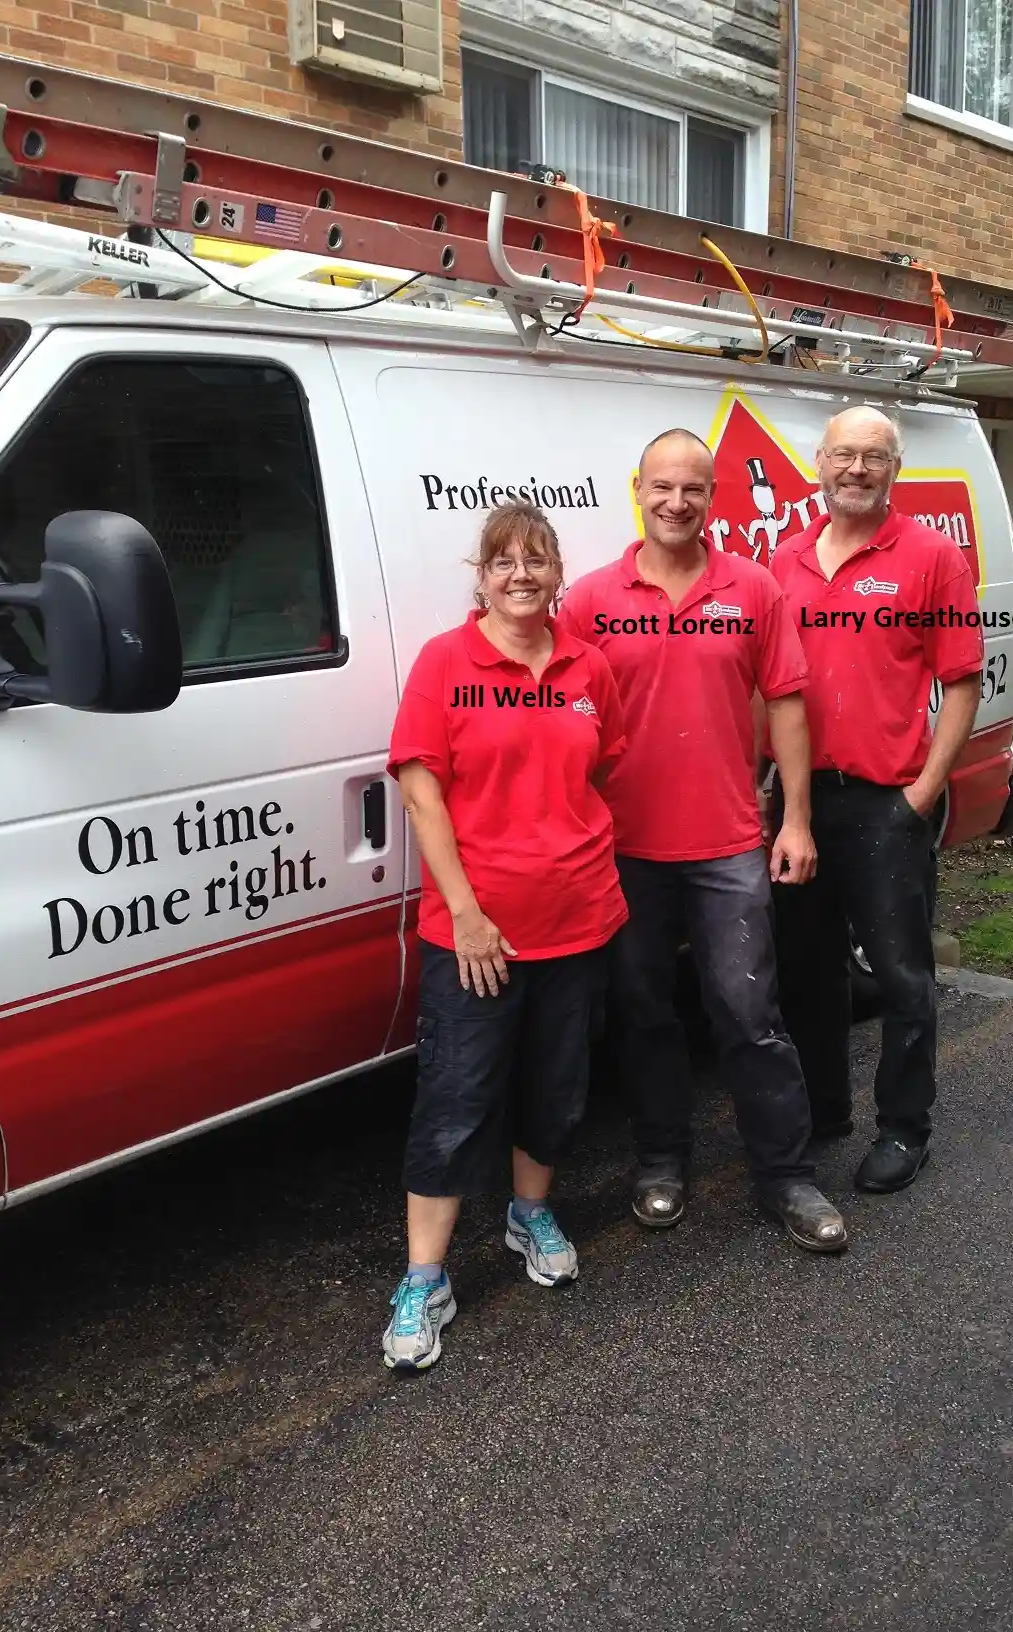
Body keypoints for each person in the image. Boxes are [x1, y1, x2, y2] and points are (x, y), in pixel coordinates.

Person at [557, 428, 846, 1253]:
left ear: (711, 497)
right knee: (646, 1013)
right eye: (661, 487)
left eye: (691, 489)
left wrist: (794, 819)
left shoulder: (752, 589)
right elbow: (553, 707)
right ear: (636, 490)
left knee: (749, 1012)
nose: (675, 502)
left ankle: (786, 1177)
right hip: (625, 849)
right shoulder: (589, 599)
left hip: (726, 843)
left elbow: (787, 702)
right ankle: (661, 1161)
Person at [381, 502, 629, 1371]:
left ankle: (530, 1213)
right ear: (480, 575)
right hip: (476, 935)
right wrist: (470, 913)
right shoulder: (447, 663)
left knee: (558, 1090)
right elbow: (422, 793)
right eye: (503, 561)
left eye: (537, 558)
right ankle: (424, 1278)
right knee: (454, 1105)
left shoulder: (588, 667)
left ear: (559, 571)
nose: (521, 574)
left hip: (580, 918)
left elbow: (600, 771)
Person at [769, 406, 984, 1193]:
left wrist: (921, 794)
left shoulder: (931, 558)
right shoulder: (784, 561)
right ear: (818, 465)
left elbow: (961, 681)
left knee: (900, 976)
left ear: (895, 469)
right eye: (843, 456)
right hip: (796, 802)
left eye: (873, 458)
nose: (856, 470)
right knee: (808, 970)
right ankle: (825, 1110)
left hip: (886, 804)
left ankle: (905, 1128)